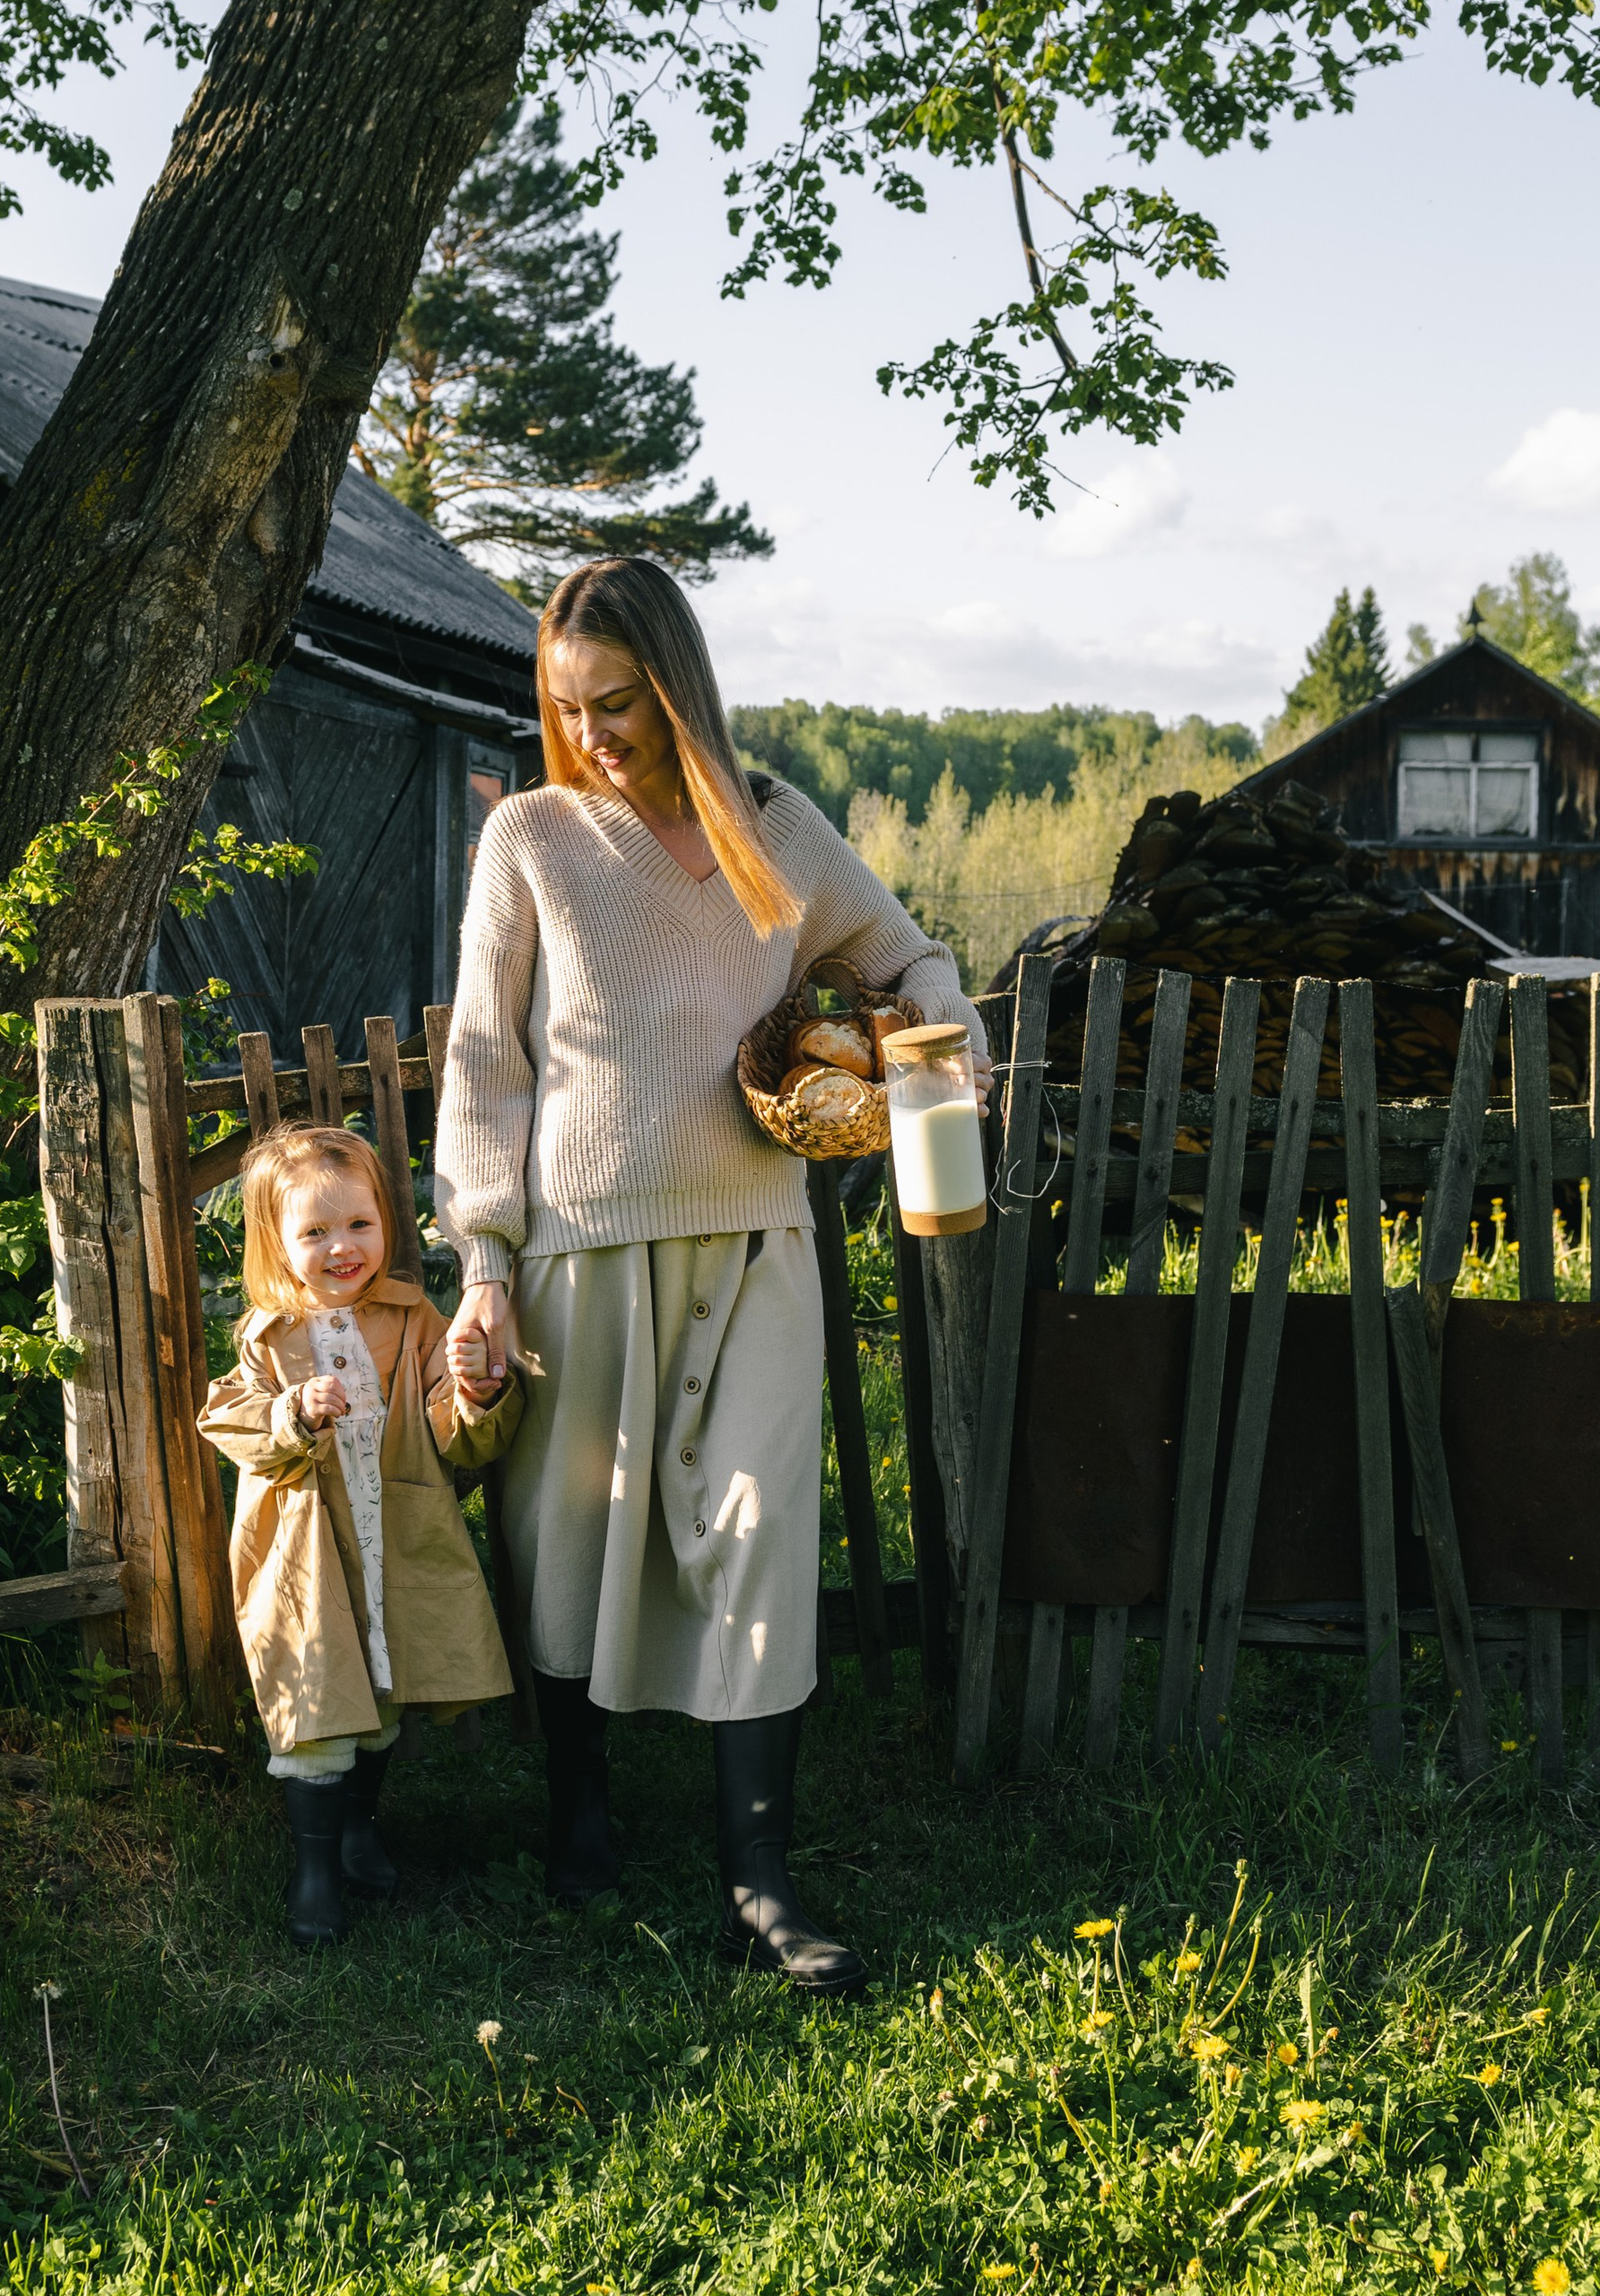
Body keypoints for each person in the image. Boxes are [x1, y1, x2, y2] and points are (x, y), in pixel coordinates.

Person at [434, 557, 990, 1996]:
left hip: (760, 1241)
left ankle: (760, 1881)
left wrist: (921, 1048)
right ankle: (581, 1811)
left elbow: (913, 960)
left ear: (676, 686)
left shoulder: (780, 832)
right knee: (575, 1545)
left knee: (759, 1536)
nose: (595, 737)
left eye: (617, 705)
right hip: (580, 1246)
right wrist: (484, 1261)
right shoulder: (536, 842)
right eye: (569, 711)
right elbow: (486, 1064)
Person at [201, 1124, 520, 1949]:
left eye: (359, 1225)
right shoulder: (269, 1338)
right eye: (314, 1232)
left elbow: (455, 1432)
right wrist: (294, 1410)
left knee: (379, 1691)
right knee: (316, 1691)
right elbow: (228, 1418)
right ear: (277, 1243)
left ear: (386, 1222)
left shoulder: (413, 1321)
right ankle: (313, 1867)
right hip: (307, 1552)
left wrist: (477, 1389)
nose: (342, 1248)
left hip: (392, 1535)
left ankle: (356, 1830)